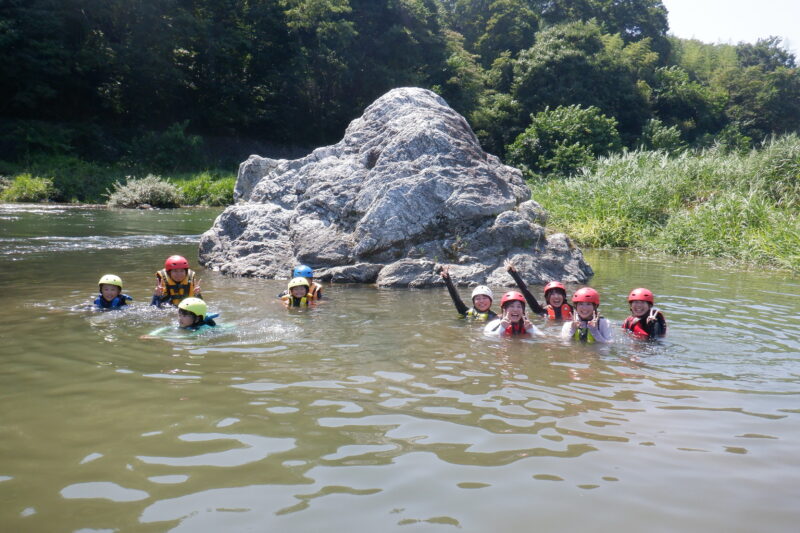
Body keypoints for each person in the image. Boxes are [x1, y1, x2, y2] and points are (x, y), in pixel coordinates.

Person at [504, 260, 573, 320]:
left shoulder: (572, 310)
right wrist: (513, 273)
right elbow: (526, 292)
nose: (556, 296)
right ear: (547, 297)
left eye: (559, 293)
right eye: (552, 294)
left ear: (564, 296)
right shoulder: (540, 310)